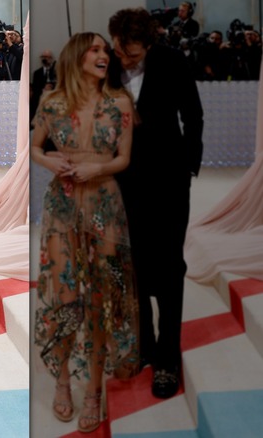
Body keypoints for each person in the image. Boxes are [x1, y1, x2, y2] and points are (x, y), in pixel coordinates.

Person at [32, 32, 139, 434]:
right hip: (62, 202)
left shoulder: (120, 102)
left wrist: (98, 168)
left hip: (105, 204)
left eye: (105, 51)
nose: (103, 55)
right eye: (95, 50)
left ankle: (93, 390)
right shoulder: (53, 102)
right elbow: (35, 145)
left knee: (99, 297)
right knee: (64, 295)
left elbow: (124, 158)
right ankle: (62, 380)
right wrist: (49, 161)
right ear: (77, 57)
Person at [107, 7, 204, 400]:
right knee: (131, 265)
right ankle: (143, 345)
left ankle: (167, 358)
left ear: (148, 44)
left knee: (168, 267)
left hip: (167, 180)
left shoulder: (172, 61)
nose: (124, 60)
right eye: (119, 51)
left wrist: (189, 166)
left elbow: (193, 116)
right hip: (120, 180)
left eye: (131, 54)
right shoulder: (106, 61)